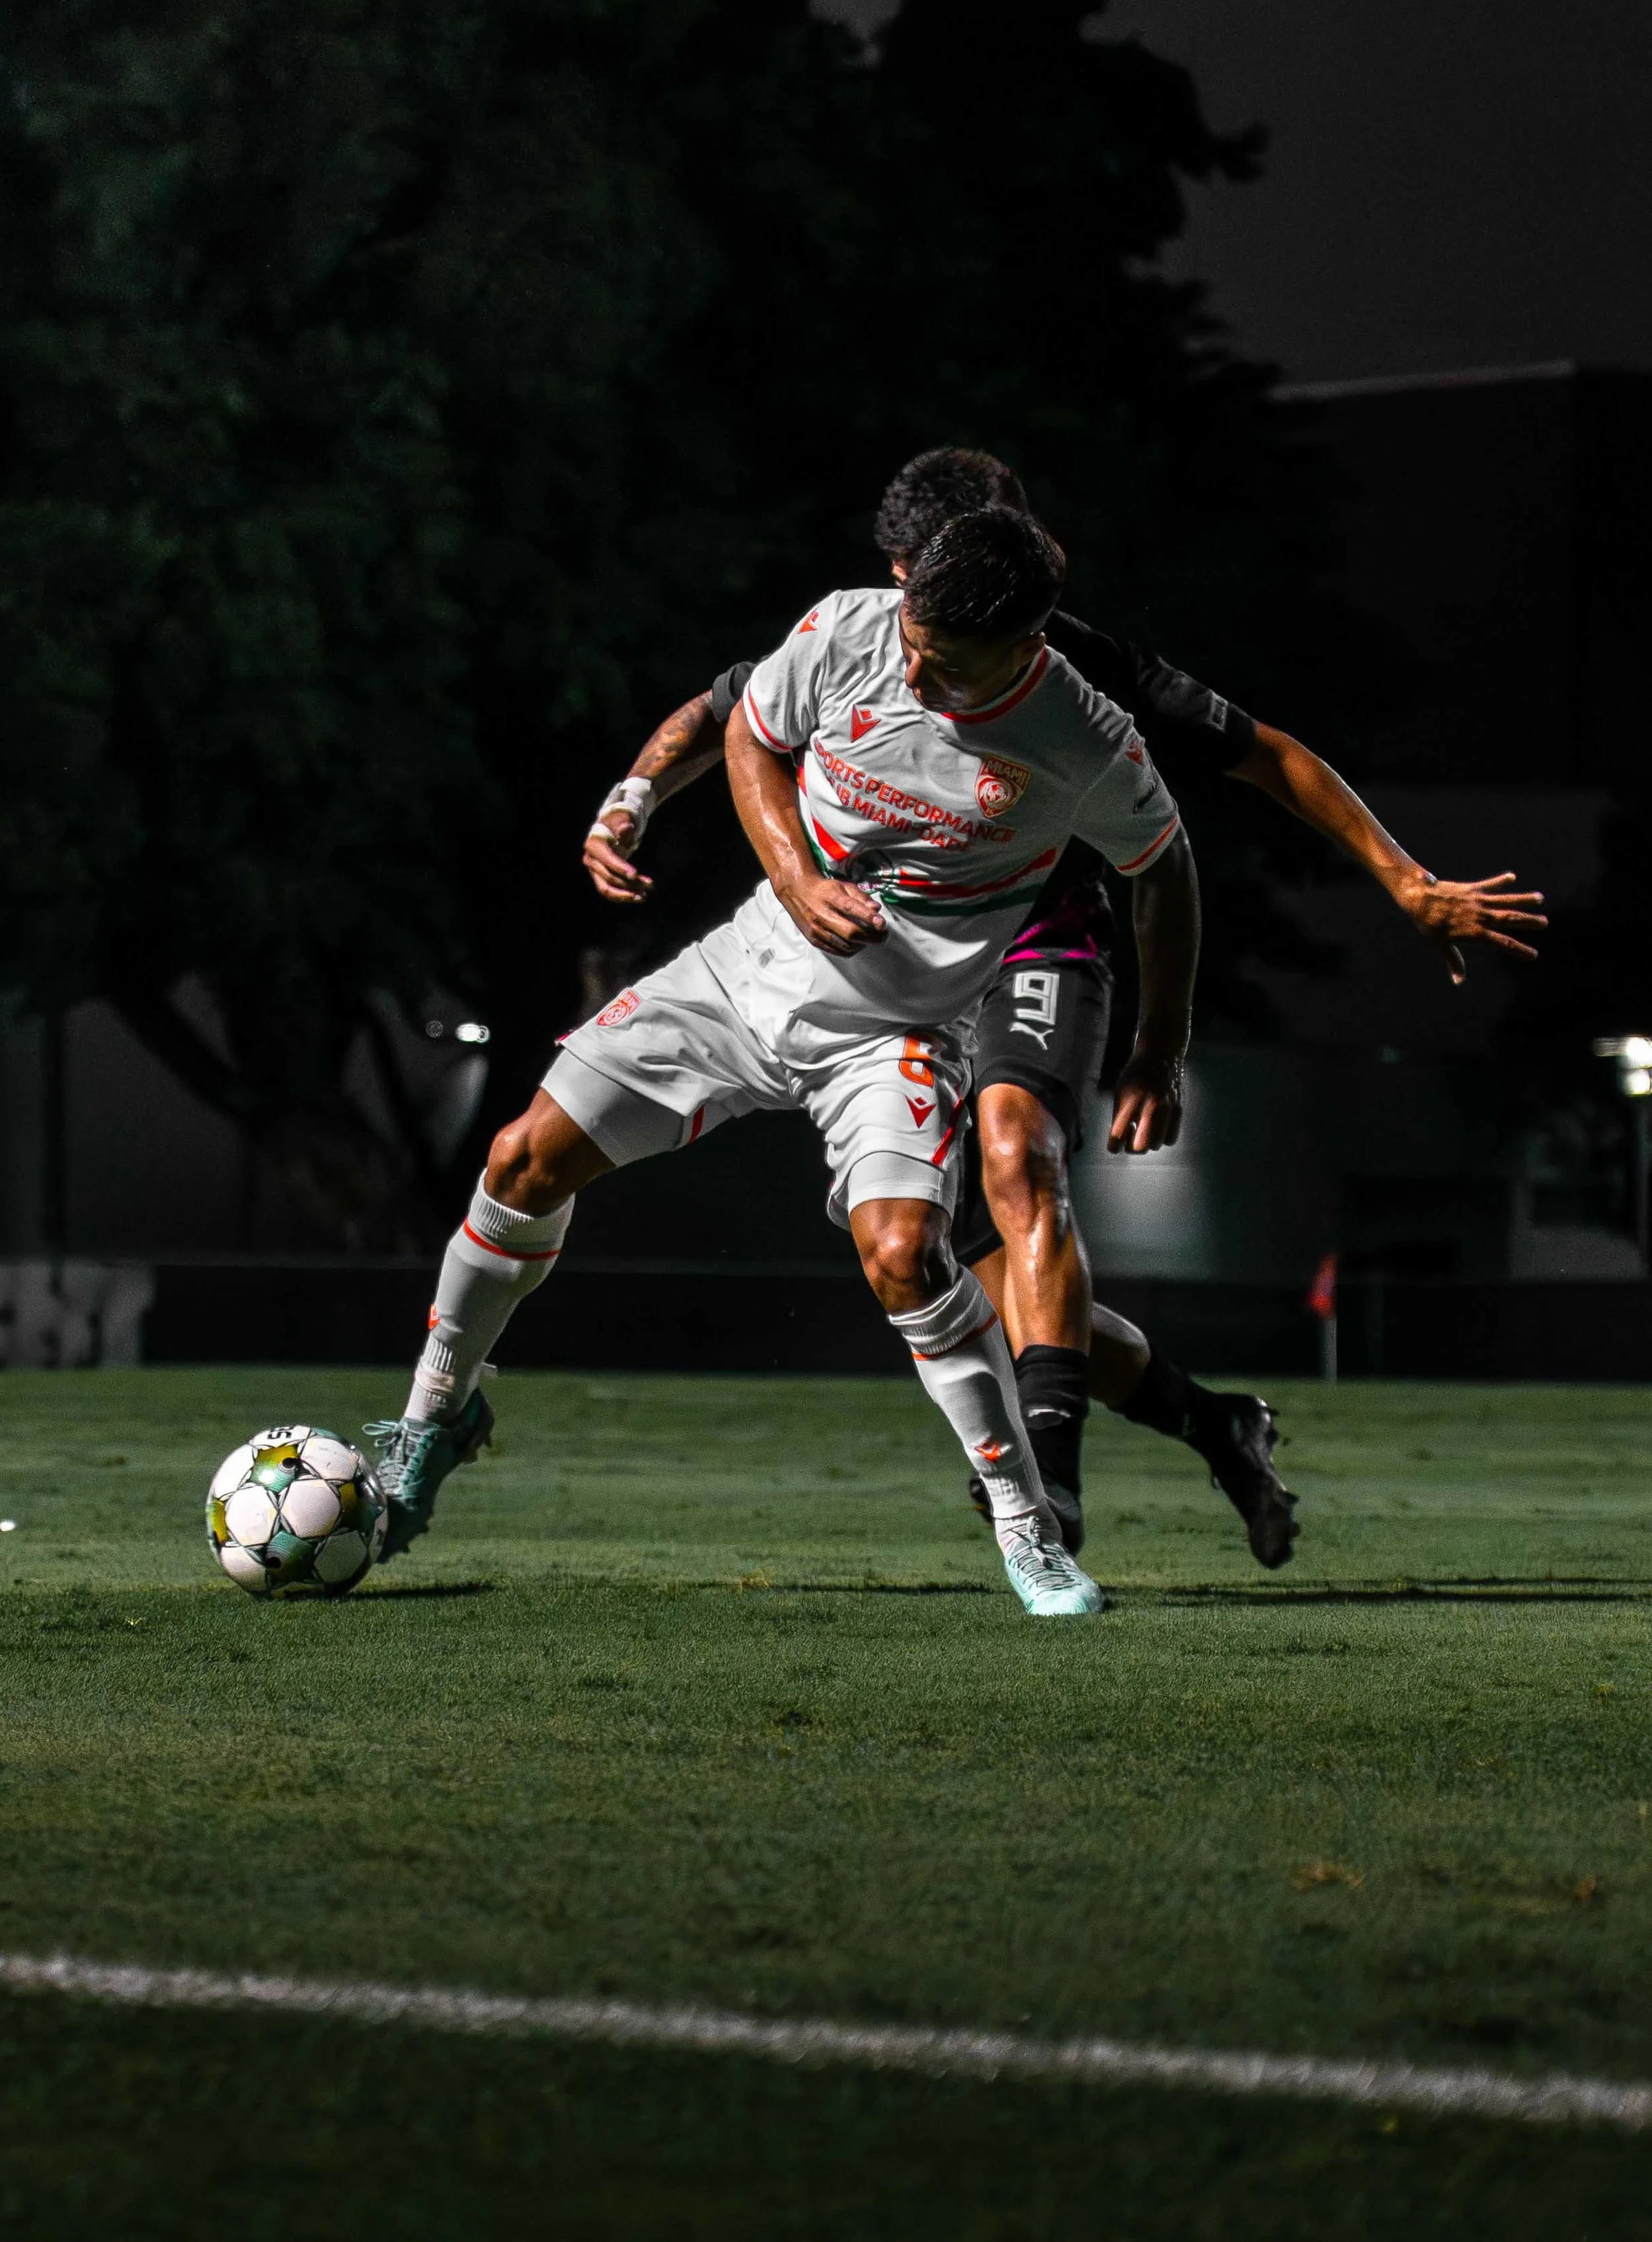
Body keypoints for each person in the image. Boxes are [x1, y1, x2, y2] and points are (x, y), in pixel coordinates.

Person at [581, 450, 1547, 1565]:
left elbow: (1261, 759)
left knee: (1016, 1157)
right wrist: (634, 797)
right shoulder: (872, 635)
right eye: (900, 584)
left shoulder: (1067, 674)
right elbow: (727, 713)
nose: (912, 622)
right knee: (1002, 1300)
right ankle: (1215, 1422)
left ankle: (1053, 1500)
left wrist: (1397, 883)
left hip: (1040, 941)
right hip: (897, 975)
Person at [367, 508, 1200, 1617]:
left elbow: (1168, 867)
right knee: (522, 1160)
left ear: (1024, 646)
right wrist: (799, 878)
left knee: (906, 1255)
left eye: (941, 658)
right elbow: (751, 739)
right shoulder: (851, 629)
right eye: (910, 632)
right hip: (741, 972)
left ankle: (1028, 1531)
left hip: (897, 1036)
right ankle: (432, 1424)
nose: (910, 661)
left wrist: (1158, 1047)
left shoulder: (1079, 738)